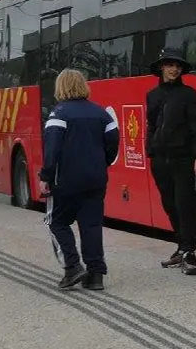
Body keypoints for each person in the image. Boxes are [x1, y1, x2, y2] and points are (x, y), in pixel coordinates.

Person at [39, 69, 120, 291]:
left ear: (61, 87)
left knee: (56, 222)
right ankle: (95, 275)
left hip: (66, 180)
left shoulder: (58, 114)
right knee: (91, 225)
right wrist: (102, 163)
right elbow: (113, 142)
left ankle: (72, 266)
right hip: (96, 179)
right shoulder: (101, 113)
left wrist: (46, 176)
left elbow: (52, 149)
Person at [146, 47, 196, 276]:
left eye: (178, 66)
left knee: (185, 204)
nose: (174, 69)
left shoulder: (189, 95)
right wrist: (150, 151)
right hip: (159, 158)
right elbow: (151, 125)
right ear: (162, 67)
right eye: (170, 65)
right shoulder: (152, 95)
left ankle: (190, 253)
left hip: (183, 158)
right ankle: (182, 247)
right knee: (169, 204)